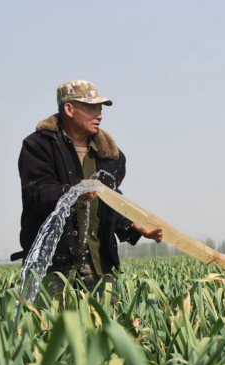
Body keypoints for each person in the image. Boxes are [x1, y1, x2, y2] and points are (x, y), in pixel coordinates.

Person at [14, 79, 163, 299]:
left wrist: (133, 225)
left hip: (100, 268)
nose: (99, 115)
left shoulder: (110, 155)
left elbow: (110, 202)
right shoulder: (39, 146)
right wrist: (72, 192)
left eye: (100, 109)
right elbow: (36, 193)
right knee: (49, 330)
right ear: (69, 109)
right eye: (92, 108)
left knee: (105, 330)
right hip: (53, 269)